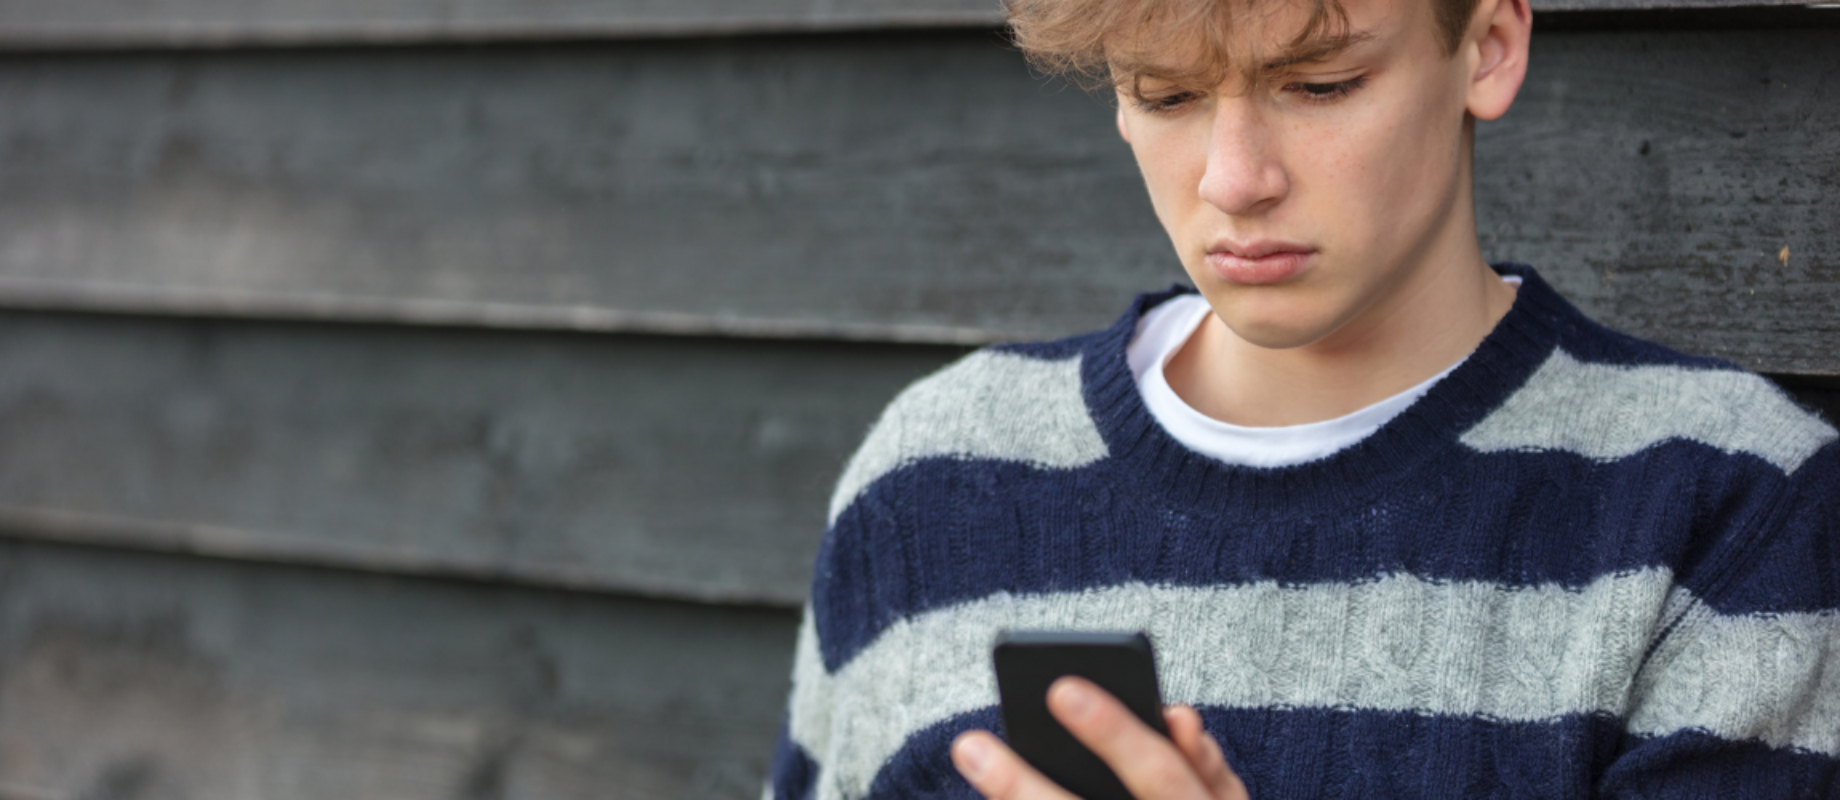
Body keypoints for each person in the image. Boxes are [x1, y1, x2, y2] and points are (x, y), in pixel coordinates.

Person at [764, 0, 1840, 794]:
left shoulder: (1730, 507)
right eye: (1168, 92)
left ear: (1489, 44)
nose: (1236, 178)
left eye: (1319, 84)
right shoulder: (936, 479)